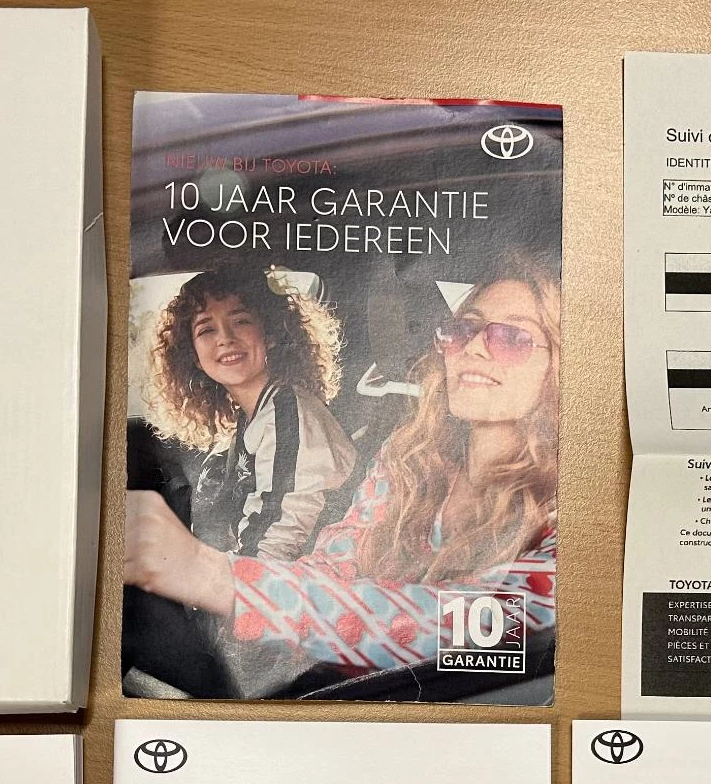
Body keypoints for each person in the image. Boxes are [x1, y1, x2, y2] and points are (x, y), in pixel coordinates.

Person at [124, 255, 560, 677]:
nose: (476, 347)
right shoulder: (408, 458)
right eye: (462, 329)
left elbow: (476, 626)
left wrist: (218, 580)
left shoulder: (568, 514)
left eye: (512, 338)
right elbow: (332, 566)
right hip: (338, 681)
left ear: (559, 366)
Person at [140, 262, 358, 561]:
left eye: (240, 321)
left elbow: (277, 540)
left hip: (301, 572)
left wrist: (228, 581)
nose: (225, 338)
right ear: (194, 356)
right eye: (207, 329)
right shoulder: (254, 414)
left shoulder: (286, 413)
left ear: (269, 334)